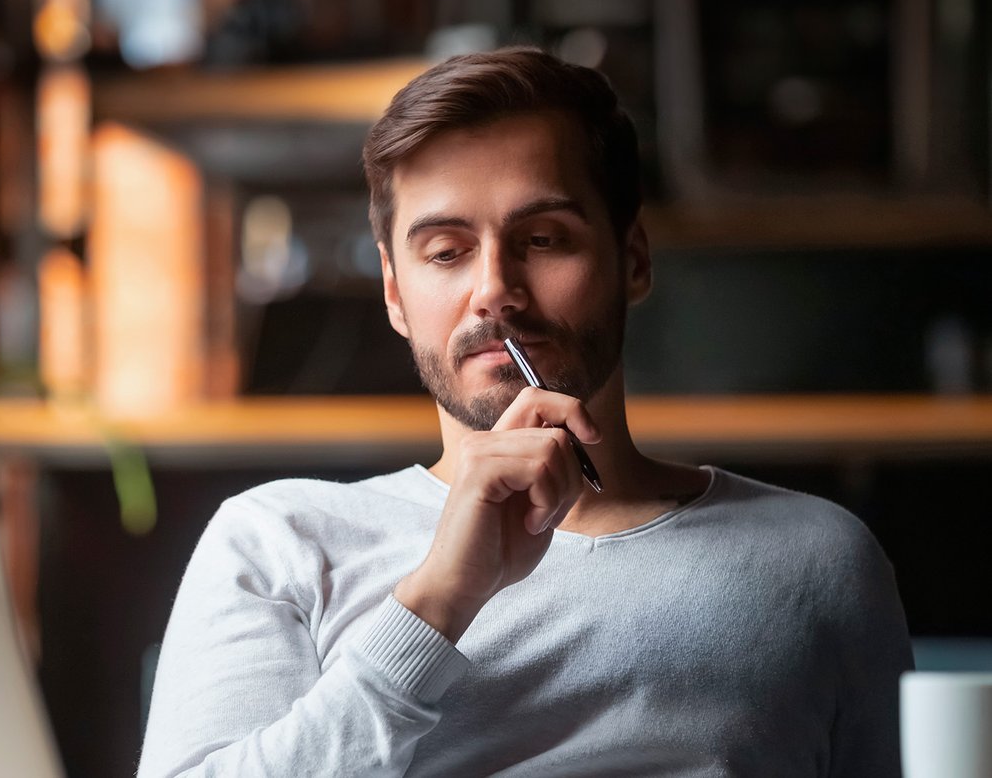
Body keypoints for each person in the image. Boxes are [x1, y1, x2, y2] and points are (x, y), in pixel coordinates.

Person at [136, 48, 912, 777]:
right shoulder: (280, 543)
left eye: (543, 239)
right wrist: (439, 599)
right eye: (446, 251)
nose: (494, 289)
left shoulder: (818, 560)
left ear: (632, 259)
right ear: (395, 292)